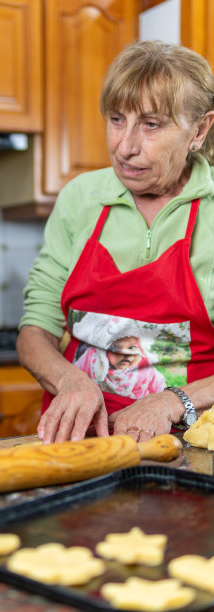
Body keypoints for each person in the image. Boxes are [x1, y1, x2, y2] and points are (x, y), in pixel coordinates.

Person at [17, 40, 214, 444]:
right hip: (79, 439)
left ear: (200, 129)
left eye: (152, 124)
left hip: (187, 441)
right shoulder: (79, 198)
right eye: (117, 119)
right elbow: (35, 330)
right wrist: (70, 381)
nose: (125, 147)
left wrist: (171, 401)